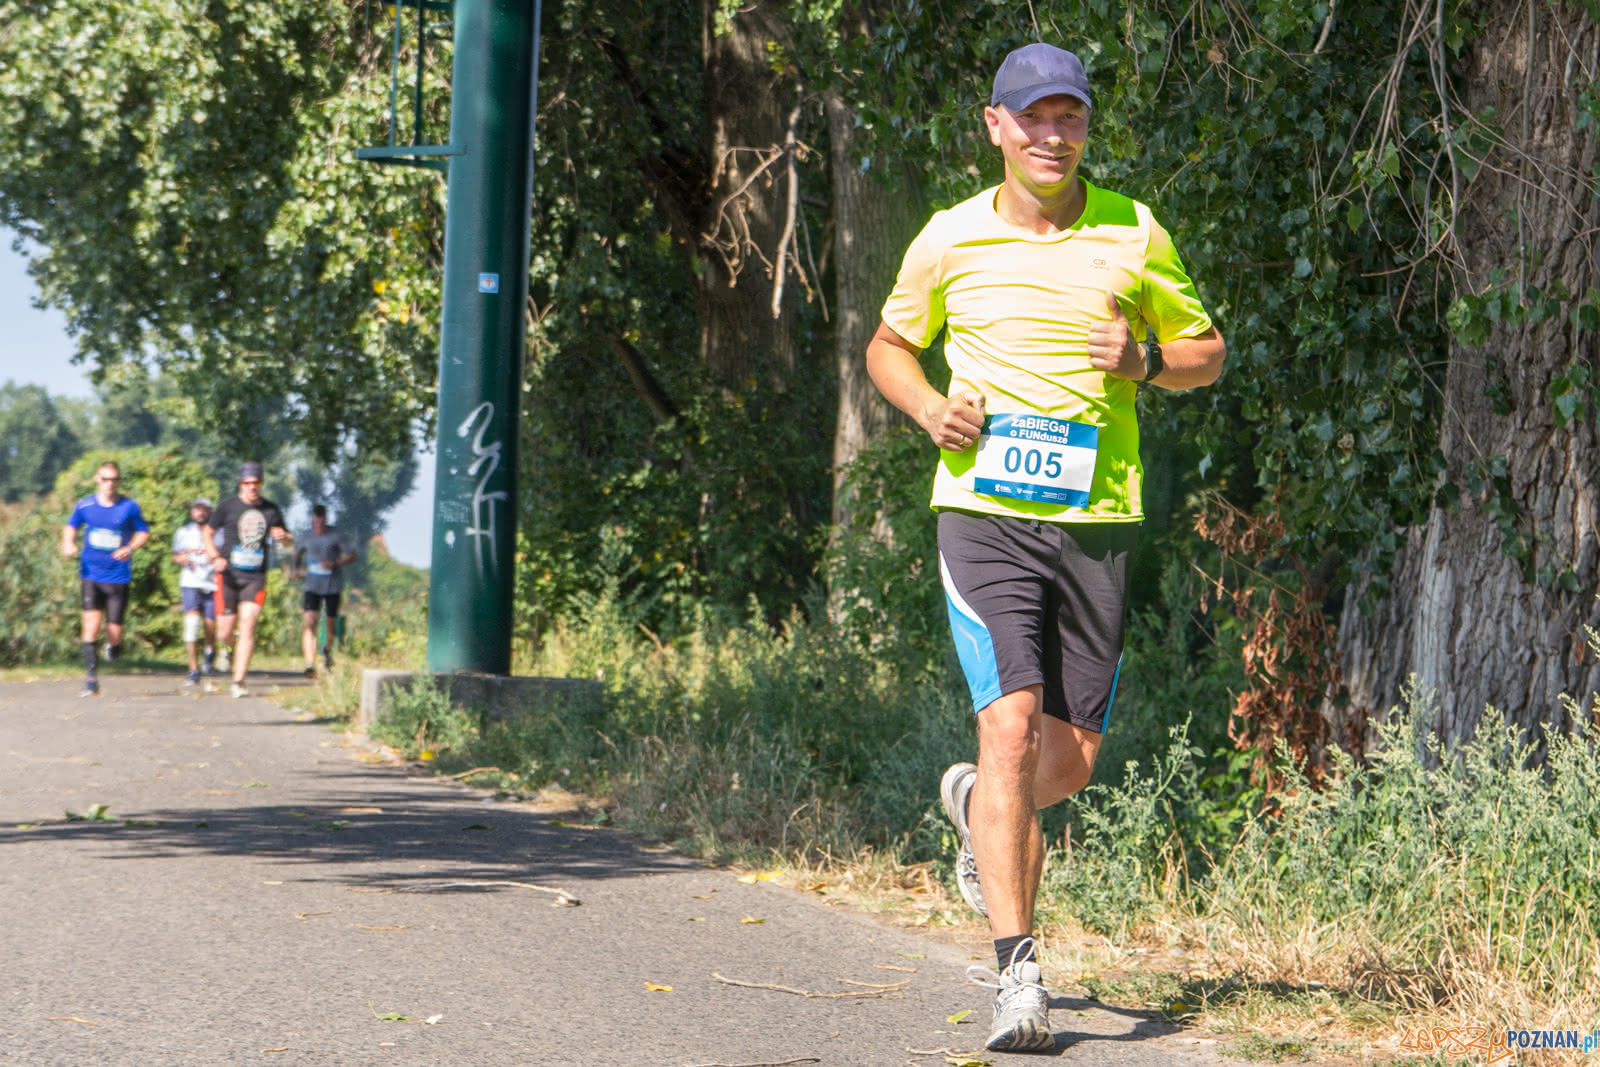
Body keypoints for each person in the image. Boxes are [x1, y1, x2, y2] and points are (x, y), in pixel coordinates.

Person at [865, 42, 1225, 1052]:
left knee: (1065, 759)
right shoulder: (949, 239)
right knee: (1012, 725)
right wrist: (931, 406)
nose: (1051, 135)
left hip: (1097, 522)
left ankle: (979, 807)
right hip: (982, 514)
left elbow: (1207, 353)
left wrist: (1147, 360)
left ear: (1084, 126)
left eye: (1068, 117)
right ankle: (1017, 976)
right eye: (1033, 118)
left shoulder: (1133, 229)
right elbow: (888, 346)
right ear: (996, 127)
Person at [60, 460, 151, 697]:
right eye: (105, 479)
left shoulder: (129, 507)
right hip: (91, 574)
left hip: (118, 577)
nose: (109, 484)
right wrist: (68, 543)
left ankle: (114, 645)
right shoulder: (85, 505)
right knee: (90, 628)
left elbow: (143, 532)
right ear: (97, 480)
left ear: (118, 482)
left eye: (114, 480)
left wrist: (130, 547)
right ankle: (91, 680)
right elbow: (71, 526)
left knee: (114, 632)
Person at [203, 462, 290, 699]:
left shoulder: (271, 510)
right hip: (228, 575)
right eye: (248, 483)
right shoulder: (228, 506)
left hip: (255, 576)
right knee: (224, 632)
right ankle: (228, 649)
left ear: (261, 484)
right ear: (241, 483)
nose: (252, 487)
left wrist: (283, 537)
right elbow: (207, 533)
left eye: (256, 483)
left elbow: (288, 541)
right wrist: (214, 557)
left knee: (249, 624)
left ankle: (239, 680)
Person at [293, 504, 356, 676]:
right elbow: (296, 553)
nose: (319, 524)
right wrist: (295, 569)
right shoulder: (306, 536)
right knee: (310, 622)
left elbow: (351, 556)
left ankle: (327, 649)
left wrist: (334, 563)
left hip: (332, 586)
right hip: (312, 586)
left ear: (326, 519)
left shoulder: (336, 535)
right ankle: (309, 664)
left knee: (330, 626)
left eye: (322, 521)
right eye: (316, 521)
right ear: (313, 519)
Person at [171, 497, 218, 686]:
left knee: (210, 626)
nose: (200, 513)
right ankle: (193, 669)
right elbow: (175, 554)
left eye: (204, 509)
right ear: (192, 513)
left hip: (212, 583)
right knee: (191, 625)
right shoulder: (183, 532)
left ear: (210, 512)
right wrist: (180, 558)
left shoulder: (218, 533)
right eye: (197, 509)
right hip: (190, 582)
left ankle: (209, 652)